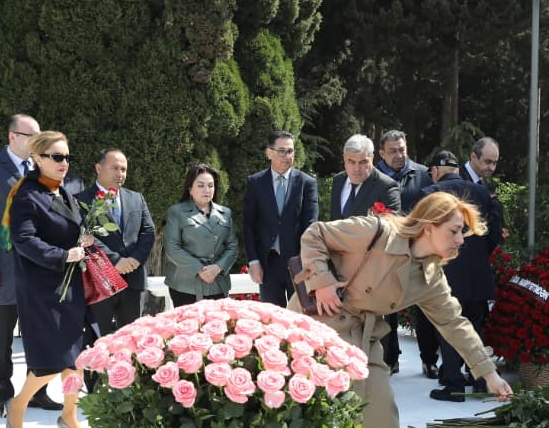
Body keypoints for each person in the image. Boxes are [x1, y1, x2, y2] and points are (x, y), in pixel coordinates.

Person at [296, 191, 514, 428]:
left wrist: (489, 374)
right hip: (319, 325)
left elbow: (454, 323)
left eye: (462, 233)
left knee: (380, 410)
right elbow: (315, 234)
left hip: (364, 336)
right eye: (454, 231)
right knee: (327, 411)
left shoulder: (430, 277)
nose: (460, 240)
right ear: (429, 226)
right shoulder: (376, 231)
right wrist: (322, 282)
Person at [2, 131, 92, 428]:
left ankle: (69, 415)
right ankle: (18, 404)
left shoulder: (64, 190)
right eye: (56, 157)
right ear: (37, 159)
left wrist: (82, 241)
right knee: (52, 362)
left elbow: (67, 230)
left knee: (75, 358)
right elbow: (24, 240)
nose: (63, 162)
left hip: (69, 286)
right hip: (42, 290)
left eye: (67, 157)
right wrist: (63, 255)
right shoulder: (26, 194)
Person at [0, 114, 62, 416]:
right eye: (31, 135)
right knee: (3, 337)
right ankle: (4, 395)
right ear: (13, 136)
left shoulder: (42, 167)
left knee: (40, 334)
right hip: (5, 268)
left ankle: (37, 392)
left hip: (39, 266)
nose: (38, 141)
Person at [421, 150, 503, 401]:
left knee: (448, 326)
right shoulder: (481, 192)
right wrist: (481, 255)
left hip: (447, 271)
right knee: (475, 326)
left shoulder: (431, 193)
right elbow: (495, 230)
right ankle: (480, 381)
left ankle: (453, 383)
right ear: (457, 170)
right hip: (478, 273)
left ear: (436, 171)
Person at [75, 148, 155, 334]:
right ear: (98, 168)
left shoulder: (136, 198)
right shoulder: (81, 200)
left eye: (124, 169)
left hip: (133, 280)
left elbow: (148, 232)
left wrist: (135, 260)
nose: (120, 174)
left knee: (131, 339)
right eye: (115, 168)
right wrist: (116, 261)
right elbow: (84, 235)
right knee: (98, 340)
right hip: (100, 283)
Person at [242, 130, 319, 307]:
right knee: (272, 317)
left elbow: (311, 225)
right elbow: (248, 224)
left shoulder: (306, 183)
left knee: (300, 315)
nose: (287, 156)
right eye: (281, 151)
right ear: (269, 153)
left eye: (290, 151)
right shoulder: (255, 183)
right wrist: (253, 261)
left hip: (298, 263)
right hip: (268, 263)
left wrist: (309, 261)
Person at [375, 129, 430, 375]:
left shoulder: (423, 174)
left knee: (424, 304)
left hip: (418, 249)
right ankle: (390, 358)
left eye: (402, 150)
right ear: (381, 153)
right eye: (393, 151)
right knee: (387, 307)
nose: (399, 155)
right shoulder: (373, 176)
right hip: (385, 252)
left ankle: (429, 359)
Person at [164, 162, 239, 306]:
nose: (207, 190)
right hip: (185, 284)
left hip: (217, 283)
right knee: (188, 321)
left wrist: (218, 267)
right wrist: (200, 269)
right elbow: (172, 247)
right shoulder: (177, 212)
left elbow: (233, 246)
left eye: (211, 185)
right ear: (190, 189)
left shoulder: (225, 213)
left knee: (217, 320)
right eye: (200, 185)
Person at [331, 134, 401, 221]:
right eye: (352, 162)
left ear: (372, 158)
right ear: (344, 158)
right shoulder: (338, 180)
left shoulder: (386, 187)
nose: (357, 168)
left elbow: (392, 225)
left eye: (363, 162)